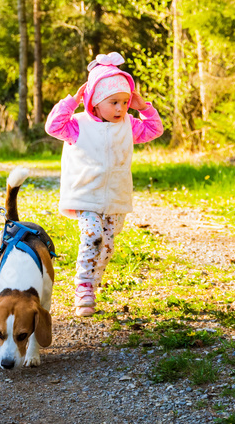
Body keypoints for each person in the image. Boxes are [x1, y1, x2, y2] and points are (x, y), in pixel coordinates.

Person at [45, 52, 164, 316]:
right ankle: (83, 286)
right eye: (113, 103)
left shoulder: (129, 125)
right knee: (92, 235)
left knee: (107, 246)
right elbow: (53, 126)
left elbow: (155, 130)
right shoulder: (77, 126)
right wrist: (72, 101)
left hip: (115, 198)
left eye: (124, 102)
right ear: (95, 103)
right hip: (87, 196)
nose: (120, 109)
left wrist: (143, 106)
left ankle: (93, 284)